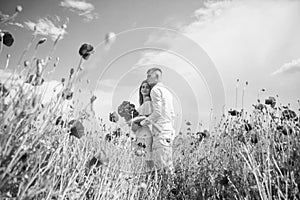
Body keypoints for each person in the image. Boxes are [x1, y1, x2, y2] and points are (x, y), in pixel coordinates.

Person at [140, 67, 176, 173]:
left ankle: (168, 188)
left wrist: (143, 122)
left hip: (161, 132)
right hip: (169, 131)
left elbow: (157, 113)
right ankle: (172, 187)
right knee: (168, 163)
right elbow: (173, 114)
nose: (147, 78)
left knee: (162, 166)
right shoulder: (168, 92)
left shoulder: (155, 90)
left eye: (149, 76)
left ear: (156, 77)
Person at [130, 80, 154, 172]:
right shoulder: (143, 105)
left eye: (147, 87)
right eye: (143, 87)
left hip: (146, 134)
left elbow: (147, 118)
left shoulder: (148, 103)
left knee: (148, 158)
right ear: (140, 89)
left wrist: (134, 120)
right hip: (140, 133)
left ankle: (152, 180)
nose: (144, 89)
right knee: (143, 159)